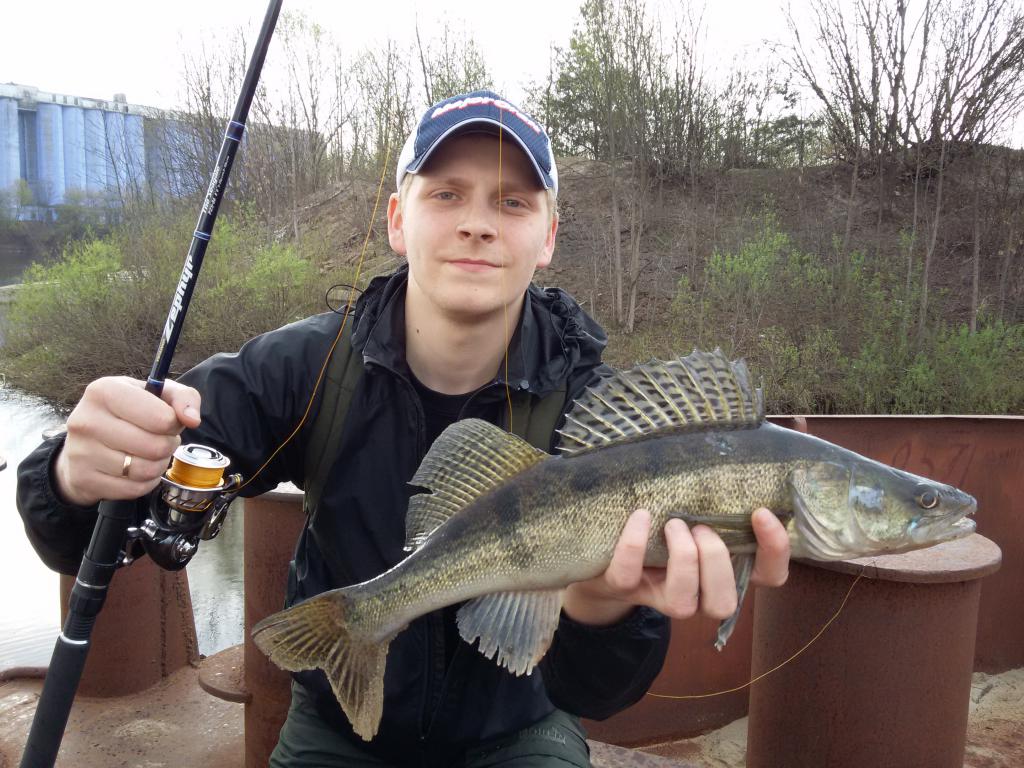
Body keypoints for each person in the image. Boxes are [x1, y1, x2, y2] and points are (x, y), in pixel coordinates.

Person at [17, 90, 790, 767]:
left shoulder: (601, 412)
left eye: (513, 202)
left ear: (549, 236)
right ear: (397, 219)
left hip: (518, 726)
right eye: (447, 194)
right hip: (339, 727)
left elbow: (598, 692)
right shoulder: (308, 367)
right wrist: (73, 478)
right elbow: (113, 514)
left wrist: (598, 606)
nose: (478, 224)